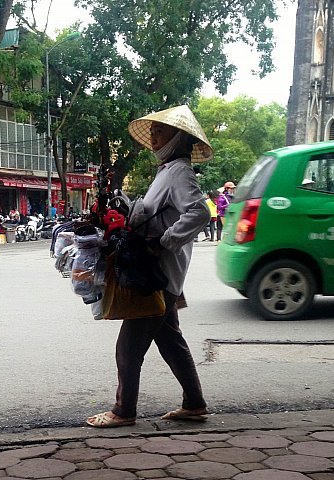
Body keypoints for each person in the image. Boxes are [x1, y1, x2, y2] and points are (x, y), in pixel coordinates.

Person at [86, 104, 211, 428]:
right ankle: (194, 404)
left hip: (158, 274)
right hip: (162, 275)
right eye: (153, 131)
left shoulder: (179, 171)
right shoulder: (167, 170)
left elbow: (199, 213)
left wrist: (163, 242)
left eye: (161, 131)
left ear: (177, 137)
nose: (154, 136)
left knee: (128, 346)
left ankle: (123, 411)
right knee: (170, 341)